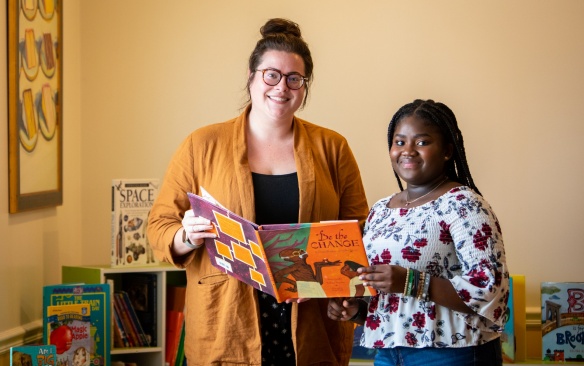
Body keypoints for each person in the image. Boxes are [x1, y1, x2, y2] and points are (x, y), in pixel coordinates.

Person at [147, 18, 369, 366]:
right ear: (251, 76)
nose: (282, 87)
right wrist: (186, 236)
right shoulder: (201, 145)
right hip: (226, 323)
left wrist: (330, 281)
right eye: (271, 75)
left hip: (310, 324)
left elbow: (361, 233)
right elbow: (159, 226)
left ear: (304, 86)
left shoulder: (333, 148)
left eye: (294, 78)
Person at [327, 99, 509, 366]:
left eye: (422, 142)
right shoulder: (380, 209)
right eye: (399, 142)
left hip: (451, 353)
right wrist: (358, 311)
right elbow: (394, 298)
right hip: (388, 353)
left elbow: (489, 290)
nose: (408, 151)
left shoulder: (464, 204)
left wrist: (411, 281)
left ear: (447, 151)